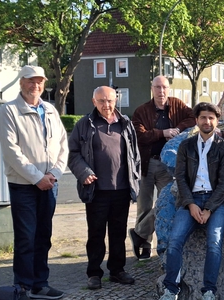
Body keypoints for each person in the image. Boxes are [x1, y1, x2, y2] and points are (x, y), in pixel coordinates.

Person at [0, 65, 68, 300]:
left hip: (50, 183)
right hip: (24, 186)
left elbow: (62, 144)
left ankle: (40, 283)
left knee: (43, 235)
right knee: (26, 237)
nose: (34, 85)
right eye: (30, 81)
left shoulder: (50, 110)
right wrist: (38, 178)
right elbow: (12, 152)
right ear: (21, 82)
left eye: (39, 81)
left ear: (44, 84)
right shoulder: (9, 111)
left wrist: (55, 173)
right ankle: (23, 286)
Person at [67, 86, 141, 290]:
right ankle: (94, 273)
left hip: (122, 190)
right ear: (94, 102)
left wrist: (135, 180)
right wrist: (84, 173)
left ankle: (117, 270)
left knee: (118, 232)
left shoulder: (125, 123)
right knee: (96, 233)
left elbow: (134, 155)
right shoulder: (84, 124)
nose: (106, 105)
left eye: (109, 100)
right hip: (96, 190)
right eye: (101, 101)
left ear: (116, 100)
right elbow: (72, 154)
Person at [159, 102, 224, 300]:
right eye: (203, 117)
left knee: (214, 241)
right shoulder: (186, 145)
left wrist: (208, 209)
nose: (207, 121)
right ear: (197, 120)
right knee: (174, 240)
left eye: (211, 118)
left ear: (217, 122)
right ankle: (171, 290)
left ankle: (209, 290)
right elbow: (180, 178)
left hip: (216, 203)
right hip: (189, 200)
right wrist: (191, 204)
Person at [130, 75, 195, 260]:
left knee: (165, 204)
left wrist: (178, 130)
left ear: (169, 89)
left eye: (164, 87)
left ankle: (142, 233)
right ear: (152, 88)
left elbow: (192, 118)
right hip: (146, 164)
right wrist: (162, 133)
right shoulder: (142, 111)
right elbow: (139, 135)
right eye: (157, 87)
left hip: (168, 165)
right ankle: (145, 244)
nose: (161, 91)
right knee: (144, 205)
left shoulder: (177, 105)